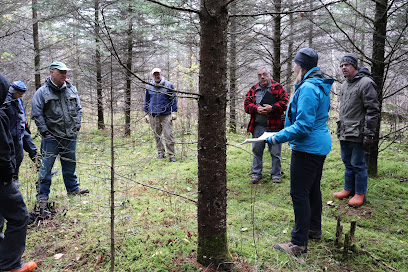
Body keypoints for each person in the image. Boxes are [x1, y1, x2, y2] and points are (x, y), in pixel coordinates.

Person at [266, 48, 334, 256]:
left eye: (296, 64)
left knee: (299, 193)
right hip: (318, 145)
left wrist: (277, 137)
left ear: (301, 66)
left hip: (308, 147)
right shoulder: (318, 85)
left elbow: (303, 125)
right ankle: (314, 229)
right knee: (312, 189)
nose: (294, 67)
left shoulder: (308, 88)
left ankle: (298, 243)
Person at [32, 61, 89, 201]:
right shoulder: (42, 92)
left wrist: (76, 127)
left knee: (70, 164)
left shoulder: (71, 89)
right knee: (46, 168)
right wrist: (45, 132)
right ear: (51, 72)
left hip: (69, 136)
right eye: (60, 72)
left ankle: (73, 189)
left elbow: (79, 109)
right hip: (51, 137)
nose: (64, 75)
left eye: (65, 72)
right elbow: (36, 113)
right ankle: (42, 195)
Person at [0, 73, 37, 272]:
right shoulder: (3, 108)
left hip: (16, 148)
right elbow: (3, 149)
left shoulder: (15, 104)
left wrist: (31, 149)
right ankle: (10, 266)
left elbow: (22, 126)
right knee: (19, 216)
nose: (17, 95)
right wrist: (7, 176)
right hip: (3, 176)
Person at [333, 53, 380, 207]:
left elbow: (373, 111)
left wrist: (369, 134)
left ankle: (360, 194)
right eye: (341, 65)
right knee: (347, 163)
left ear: (354, 65)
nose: (343, 67)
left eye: (346, 64)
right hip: (345, 131)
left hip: (359, 133)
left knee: (358, 164)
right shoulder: (345, 84)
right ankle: (348, 189)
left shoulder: (366, 83)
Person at [244, 66, 289, 184]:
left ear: (269, 75)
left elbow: (285, 103)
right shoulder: (253, 89)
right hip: (258, 125)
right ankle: (256, 174)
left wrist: (272, 108)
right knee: (257, 150)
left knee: (275, 152)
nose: (262, 77)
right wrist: (257, 109)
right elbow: (246, 105)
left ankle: (276, 175)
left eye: (264, 74)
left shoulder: (278, 87)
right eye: (259, 75)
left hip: (274, 126)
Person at [144, 68, 177, 162]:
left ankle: (171, 155)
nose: (157, 76)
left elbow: (173, 99)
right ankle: (160, 153)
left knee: (168, 135)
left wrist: (174, 111)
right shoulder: (149, 86)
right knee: (157, 135)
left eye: (158, 74)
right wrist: (146, 113)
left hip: (166, 115)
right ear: (152, 76)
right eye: (155, 74)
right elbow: (147, 100)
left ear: (161, 74)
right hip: (153, 115)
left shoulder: (168, 85)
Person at [3, 81, 28, 185]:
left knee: (19, 156)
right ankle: (9, 180)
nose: (21, 95)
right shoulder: (5, 101)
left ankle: (15, 177)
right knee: (10, 158)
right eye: (20, 93)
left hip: (18, 134)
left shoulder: (17, 100)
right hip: (8, 136)